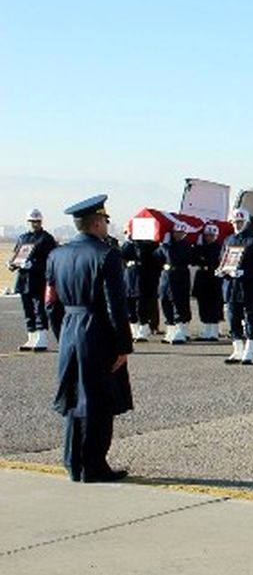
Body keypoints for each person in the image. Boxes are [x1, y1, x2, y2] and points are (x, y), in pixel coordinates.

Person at [43, 195, 131, 483]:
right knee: (98, 401)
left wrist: (63, 333)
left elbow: (50, 303)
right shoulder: (107, 255)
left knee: (73, 399)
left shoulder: (57, 255)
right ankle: (94, 465)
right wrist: (122, 345)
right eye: (105, 221)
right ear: (97, 222)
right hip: (97, 331)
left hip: (70, 327)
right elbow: (115, 305)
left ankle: (73, 462)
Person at [219, 208, 253, 365]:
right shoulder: (228, 240)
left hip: (248, 286)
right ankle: (237, 349)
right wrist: (222, 270)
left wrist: (244, 272)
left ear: (246, 222)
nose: (237, 225)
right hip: (231, 286)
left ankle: (249, 350)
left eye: (240, 222)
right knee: (233, 318)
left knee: (250, 318)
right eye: (234, 222)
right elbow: (222, 259)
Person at [10, 208, 58, 351]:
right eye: (32, 221)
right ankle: (31, 337)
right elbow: (17, 254)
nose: (34, 224)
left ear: (41, 221)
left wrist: (35, 265)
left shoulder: (46, 238)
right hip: (24, 278)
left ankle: (42, 338)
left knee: (39, 309)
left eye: (37, 221)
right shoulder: (22, 237)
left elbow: (51, 259)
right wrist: (12, 264)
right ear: (27, 222)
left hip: (38, 279)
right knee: (28, 309)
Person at [155, 223, 193, 344]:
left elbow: (172, 258)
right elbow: (156, 256)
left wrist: (165, 246)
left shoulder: (185, 246)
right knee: (165, 300)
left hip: (179, 276)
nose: (178, 235)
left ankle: (180, 330)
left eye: (181, 233)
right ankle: (170, 328)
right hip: (166, 276)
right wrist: (161, 245)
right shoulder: (168, 245)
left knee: (179, 302)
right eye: (176, 232)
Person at [191, 224, 224, 341]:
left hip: (214, 278)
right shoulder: (200, 247)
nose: (208, 237)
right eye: (206, 235)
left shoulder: (219, 247)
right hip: (202, 277)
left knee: (214, 305)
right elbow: (193, 260)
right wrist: (197, 248)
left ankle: (214, 331)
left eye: (211, 235)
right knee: (203, 305)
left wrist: (202, 257)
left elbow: (213, 260)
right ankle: (206, 330)